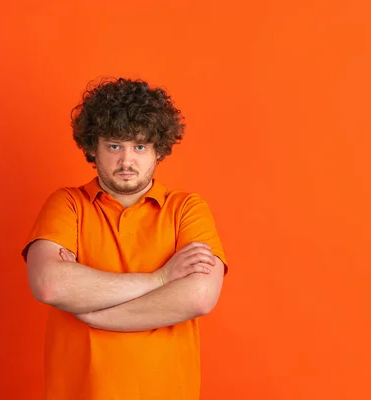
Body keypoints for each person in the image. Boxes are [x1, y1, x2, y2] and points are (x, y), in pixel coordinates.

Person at [21, 77, 228, 400]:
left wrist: (93, 313)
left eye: (140, 146)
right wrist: (162, 278)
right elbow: (50, 284)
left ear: (158, 150)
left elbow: (199, 296)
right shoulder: (67, 205)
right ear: (93, 147)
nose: (127, 161)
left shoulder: (187, 208)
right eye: (114, 146)